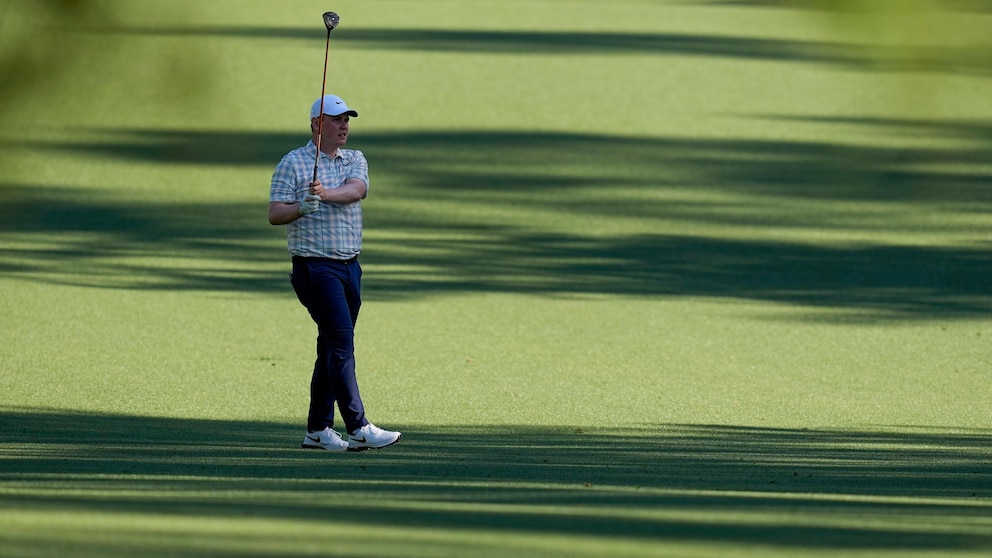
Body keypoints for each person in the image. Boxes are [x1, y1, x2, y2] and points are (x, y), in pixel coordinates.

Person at [268, 94, 401, 452]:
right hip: (314, 268)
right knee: (341, 343)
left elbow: (357, 190)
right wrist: (301, 207)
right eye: (336, 119)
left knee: (329, 345)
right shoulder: (293, 164)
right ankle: (358, 427)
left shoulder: (354, 159)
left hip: (350, 267)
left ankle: (318, 430)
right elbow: (275, 213)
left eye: (346, 120)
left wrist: (323, 195)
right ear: (316, 124)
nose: (344, 126)